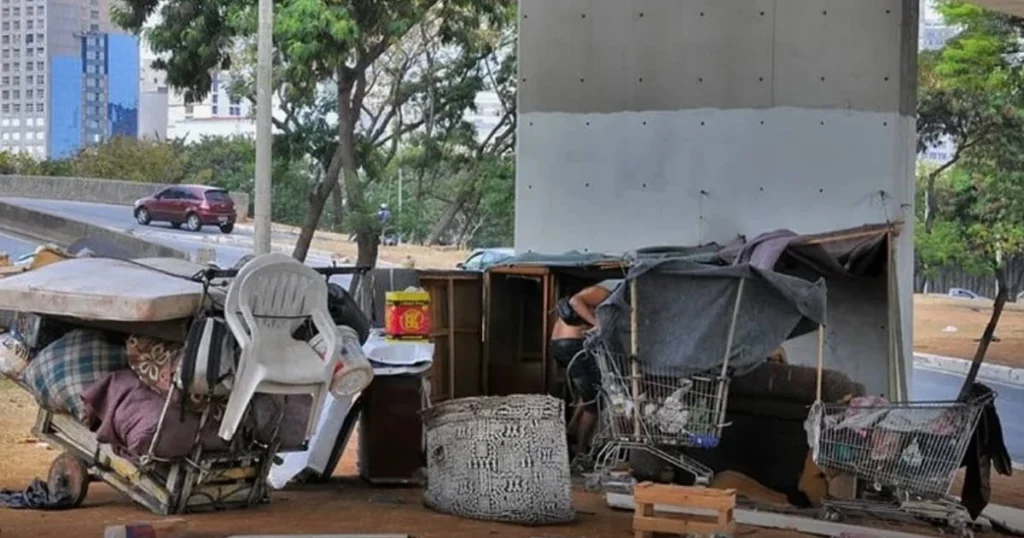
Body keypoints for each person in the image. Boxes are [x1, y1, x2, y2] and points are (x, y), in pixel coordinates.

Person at [549, 279, 621, 465]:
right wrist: (597, 324)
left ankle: (571, 430)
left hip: (563, 346)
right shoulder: (603, 292)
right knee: (594, 403)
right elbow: (574, 302)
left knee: (589, 391)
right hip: (573, 346)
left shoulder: (602, 294)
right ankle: (581, 453)